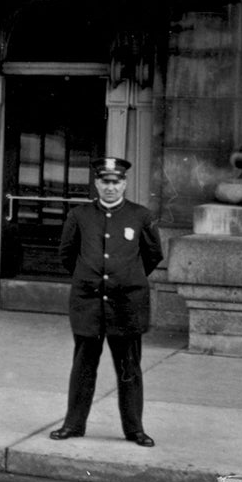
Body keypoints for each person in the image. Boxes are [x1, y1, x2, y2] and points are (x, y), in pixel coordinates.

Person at [51, 156, 165, 446]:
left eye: (116, 182)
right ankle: (73, 424)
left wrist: (125, 277)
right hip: (88, 304)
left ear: (124, 183)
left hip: (127, 306)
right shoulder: (80, 216)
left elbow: (152, 256)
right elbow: (67, 255)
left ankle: (134, 429)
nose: (110, 187)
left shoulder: (141, 216)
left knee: (129, 369)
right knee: (83, 367)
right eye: (105, 182)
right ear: (96, 183)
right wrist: (90, 277)